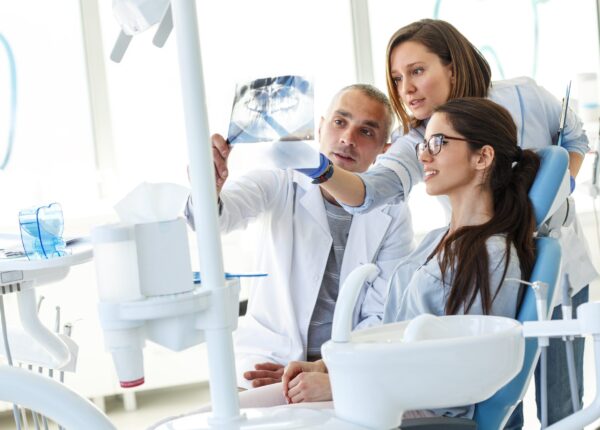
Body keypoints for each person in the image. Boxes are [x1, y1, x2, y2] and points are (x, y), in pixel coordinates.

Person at [296, 19, 596, 427]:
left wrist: (551, 195)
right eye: (398, 78)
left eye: (417, 71)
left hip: (541, 273)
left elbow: (574, 139)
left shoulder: (524, 95)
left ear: (452, 68)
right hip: (471, 266)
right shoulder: (419, 140)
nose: (406, 89)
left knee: (561, 404)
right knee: (501, 409)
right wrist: (315, 168)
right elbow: (370, 192)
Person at [281, 97, 540, 420]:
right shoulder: (438, 239)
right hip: (384, 392)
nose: (425, 156)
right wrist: (328, 364)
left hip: (410, 411)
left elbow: (461, 380)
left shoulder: (491, 256)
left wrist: (341, 384)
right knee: (231, 411)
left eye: (438, 142)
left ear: (483, 157)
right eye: (423, 145)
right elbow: (398, 330)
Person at [184, 84, 415, 389]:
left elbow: (381, 313)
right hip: (268, 362)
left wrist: (325, 367)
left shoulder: (393, 212)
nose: (348, 139)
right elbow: (215, 219)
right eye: (340, 122)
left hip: (341, 369)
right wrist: (207, 185)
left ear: (383, 151)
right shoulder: (281, 178)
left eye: (366, 132)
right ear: (320, 127)